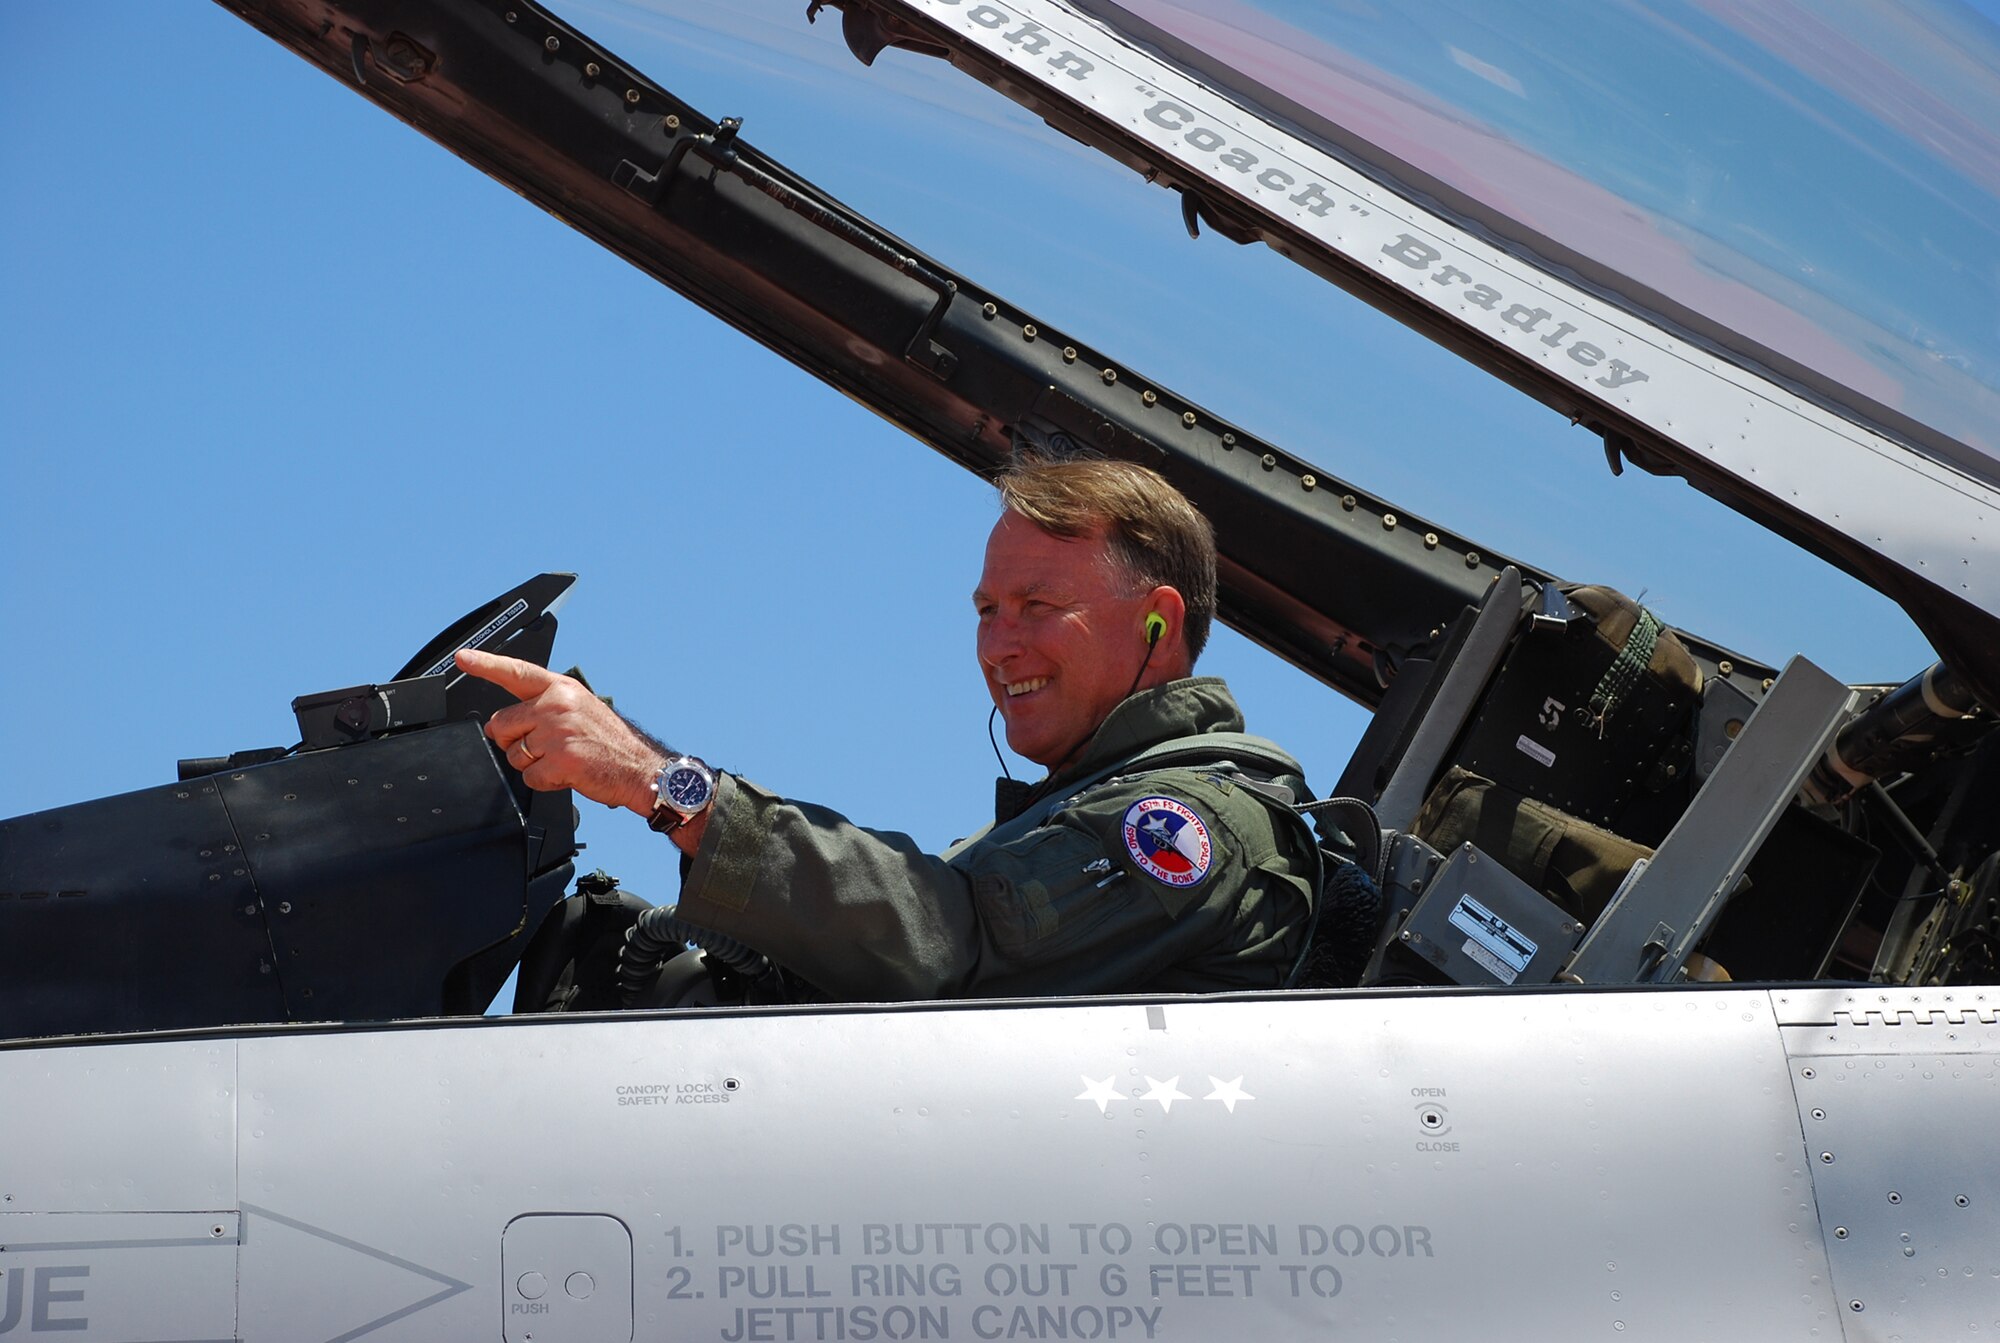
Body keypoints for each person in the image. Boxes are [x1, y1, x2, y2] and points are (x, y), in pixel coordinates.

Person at [457, 458, 1319, 998]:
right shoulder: (1068, 810)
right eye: (987, 610)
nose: (999, 644)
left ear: (1157, 623)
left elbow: (955, 941)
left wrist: (661, 784)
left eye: (1038, 607)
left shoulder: (1186, 825)